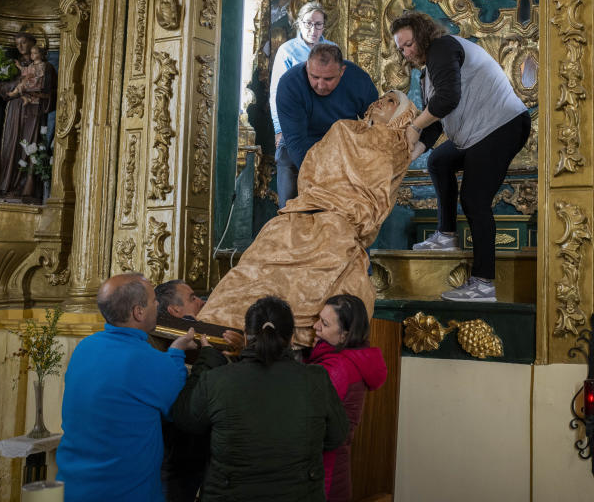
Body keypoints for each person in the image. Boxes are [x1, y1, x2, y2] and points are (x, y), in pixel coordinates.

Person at [197, 91, 417, 345]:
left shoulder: (396, 148)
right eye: (382, 97)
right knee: (255, 267)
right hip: (304, 211)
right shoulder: (342, 129)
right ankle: (216, 324)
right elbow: (312, 166)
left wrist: (347, 212)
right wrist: (320, 196)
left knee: (319, 279)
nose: (381, 101)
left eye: (391, 102)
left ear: (402, 116)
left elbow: (379, 196)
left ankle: (276, 339)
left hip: (340, 223)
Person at [391, 10, 530, 302]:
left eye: (408, 44)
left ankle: (484, 284)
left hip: (502, 125)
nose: (405, 53)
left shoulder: (442, 47)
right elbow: (437, 121)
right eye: (400, 48)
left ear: (422, 33)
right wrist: (408, 154)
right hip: (479, 133)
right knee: (439, 160)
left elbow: (447, 99)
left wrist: (414, 126)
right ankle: (445, 237)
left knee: (474, 199)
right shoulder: (428, 72)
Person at [172, 296, 349, 502]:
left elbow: (185, 420)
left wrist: (208, 359)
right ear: (291, 338)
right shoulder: (315, 379)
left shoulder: (217, 380)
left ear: (246, 336)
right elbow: (337, 435)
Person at [56, 273, 197, 502]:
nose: (158, 304)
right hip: (126, 492)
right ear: (138, 312)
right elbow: (180, 409)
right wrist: (177, 352)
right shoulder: (149, 360)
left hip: (73, 487)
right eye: (153, 301)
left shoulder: (85, 347)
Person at [274, 42, 379, 207]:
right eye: (314, 77)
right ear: (307, 67)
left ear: (342, 71)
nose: (321, 85)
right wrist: (324, 184)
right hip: (298, 148)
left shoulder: (359, 80)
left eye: (328, 79)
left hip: (341, 147)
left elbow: (376, 123)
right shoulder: (290, 84)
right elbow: (296, 142)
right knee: (292, 212)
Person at [309, 294, 387, 502]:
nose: (315, 326)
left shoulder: (337, 368)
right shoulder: (341, 359)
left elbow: (305, 415)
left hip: (324, 474)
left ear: (344, 335)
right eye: (318, 318)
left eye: (324, 324)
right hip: (328, 468)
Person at [271, 2, 336, 205]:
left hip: (324, 130)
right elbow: (276, 93)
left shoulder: (333, 50)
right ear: (299, 24)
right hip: (294, 126)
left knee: (322, 197)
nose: (313, 30)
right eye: (308, 24)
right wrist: (279, 128)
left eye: (318, 24)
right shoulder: (287, 50)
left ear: (324, 26)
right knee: (289, 197)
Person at [0, 35, 55, 200]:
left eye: (24, 43)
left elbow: (50, 92)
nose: (20, 46)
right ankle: (4, 186)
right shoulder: (12, 65)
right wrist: (17, 84)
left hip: (33, 111)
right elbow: (2, 88)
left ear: (34, 44)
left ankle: (25, 189)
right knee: (10, 145)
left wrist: (34, 91)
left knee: (29, 145)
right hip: (14, 111)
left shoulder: (45, 67)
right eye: (17, 44)